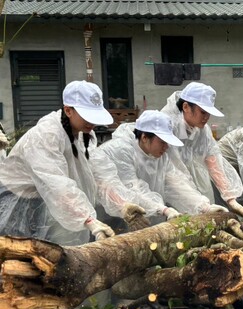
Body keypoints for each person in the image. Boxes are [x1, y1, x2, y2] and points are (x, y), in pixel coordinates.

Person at [0, 80, 144, 246]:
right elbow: (56, 185)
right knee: (25, 255)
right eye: (87, 116)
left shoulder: (83, 134)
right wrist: (89, 220)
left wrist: (122, 204)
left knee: (63, 252)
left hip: (49, 198)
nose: (92, 122)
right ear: (68, 110)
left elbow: (99, 175)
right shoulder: (46, 135)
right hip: (17, 202)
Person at [93, 109, 228, 221]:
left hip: (143, 211)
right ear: (145, 137)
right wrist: (163, 209)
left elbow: (176, 184)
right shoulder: (121, 150)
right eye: (162, 141)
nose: (166, 146)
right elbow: (132, 189)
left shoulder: (160, 156)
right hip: (112, 214)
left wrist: (204, 207)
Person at [160, 82, 243, 214]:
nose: (206, 117)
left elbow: (213, 161)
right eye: (203, 112)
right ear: (186, 106)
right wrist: (200, 205)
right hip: (170, 191)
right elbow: (171, 174)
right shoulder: (167, 127)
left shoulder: (202, 130)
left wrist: (230, 198)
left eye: (208, 113)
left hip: (196, 190)